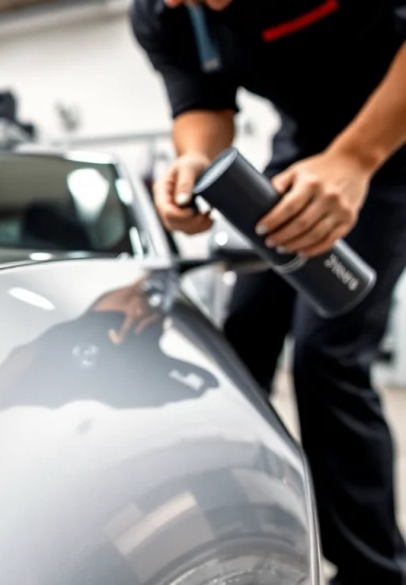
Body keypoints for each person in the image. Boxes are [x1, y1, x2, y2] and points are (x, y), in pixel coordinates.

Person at [129, 1, 406, 583]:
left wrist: (355, 159)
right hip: (302, 147)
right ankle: (245, 521)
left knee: (327, 357)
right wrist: (195, 160)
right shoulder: (164, 14)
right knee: (241, 342)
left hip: (392, 142)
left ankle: (375, 570)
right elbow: (202, 102)